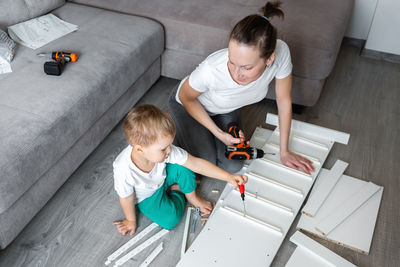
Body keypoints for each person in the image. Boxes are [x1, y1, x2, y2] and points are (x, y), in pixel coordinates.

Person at [168, 1, 315, 174]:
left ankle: (205, 132)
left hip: (226, 108)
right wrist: (218, 133)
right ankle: (169, 124)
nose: (237, 73)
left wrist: (284, 151)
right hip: (188, 104)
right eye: (231, 61)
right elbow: (186, 97)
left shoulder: (281, 53)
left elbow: (283, 100)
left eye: (246, 68)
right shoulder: (212, 69)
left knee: (233, 165)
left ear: (269, 59)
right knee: (205, 162)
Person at [112, 104, 248, 235]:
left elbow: (196, 164)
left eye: (169, 145)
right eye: (163, 148)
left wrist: (228, 177)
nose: (170, 150)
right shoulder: (123, 169)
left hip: (163, 176)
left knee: (185, 168)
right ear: (140, 149)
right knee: (170, 220)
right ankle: (177, 191)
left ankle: (192, 197)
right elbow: (126, 198)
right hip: (147, 196)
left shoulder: (163, 151)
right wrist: (130, 220)